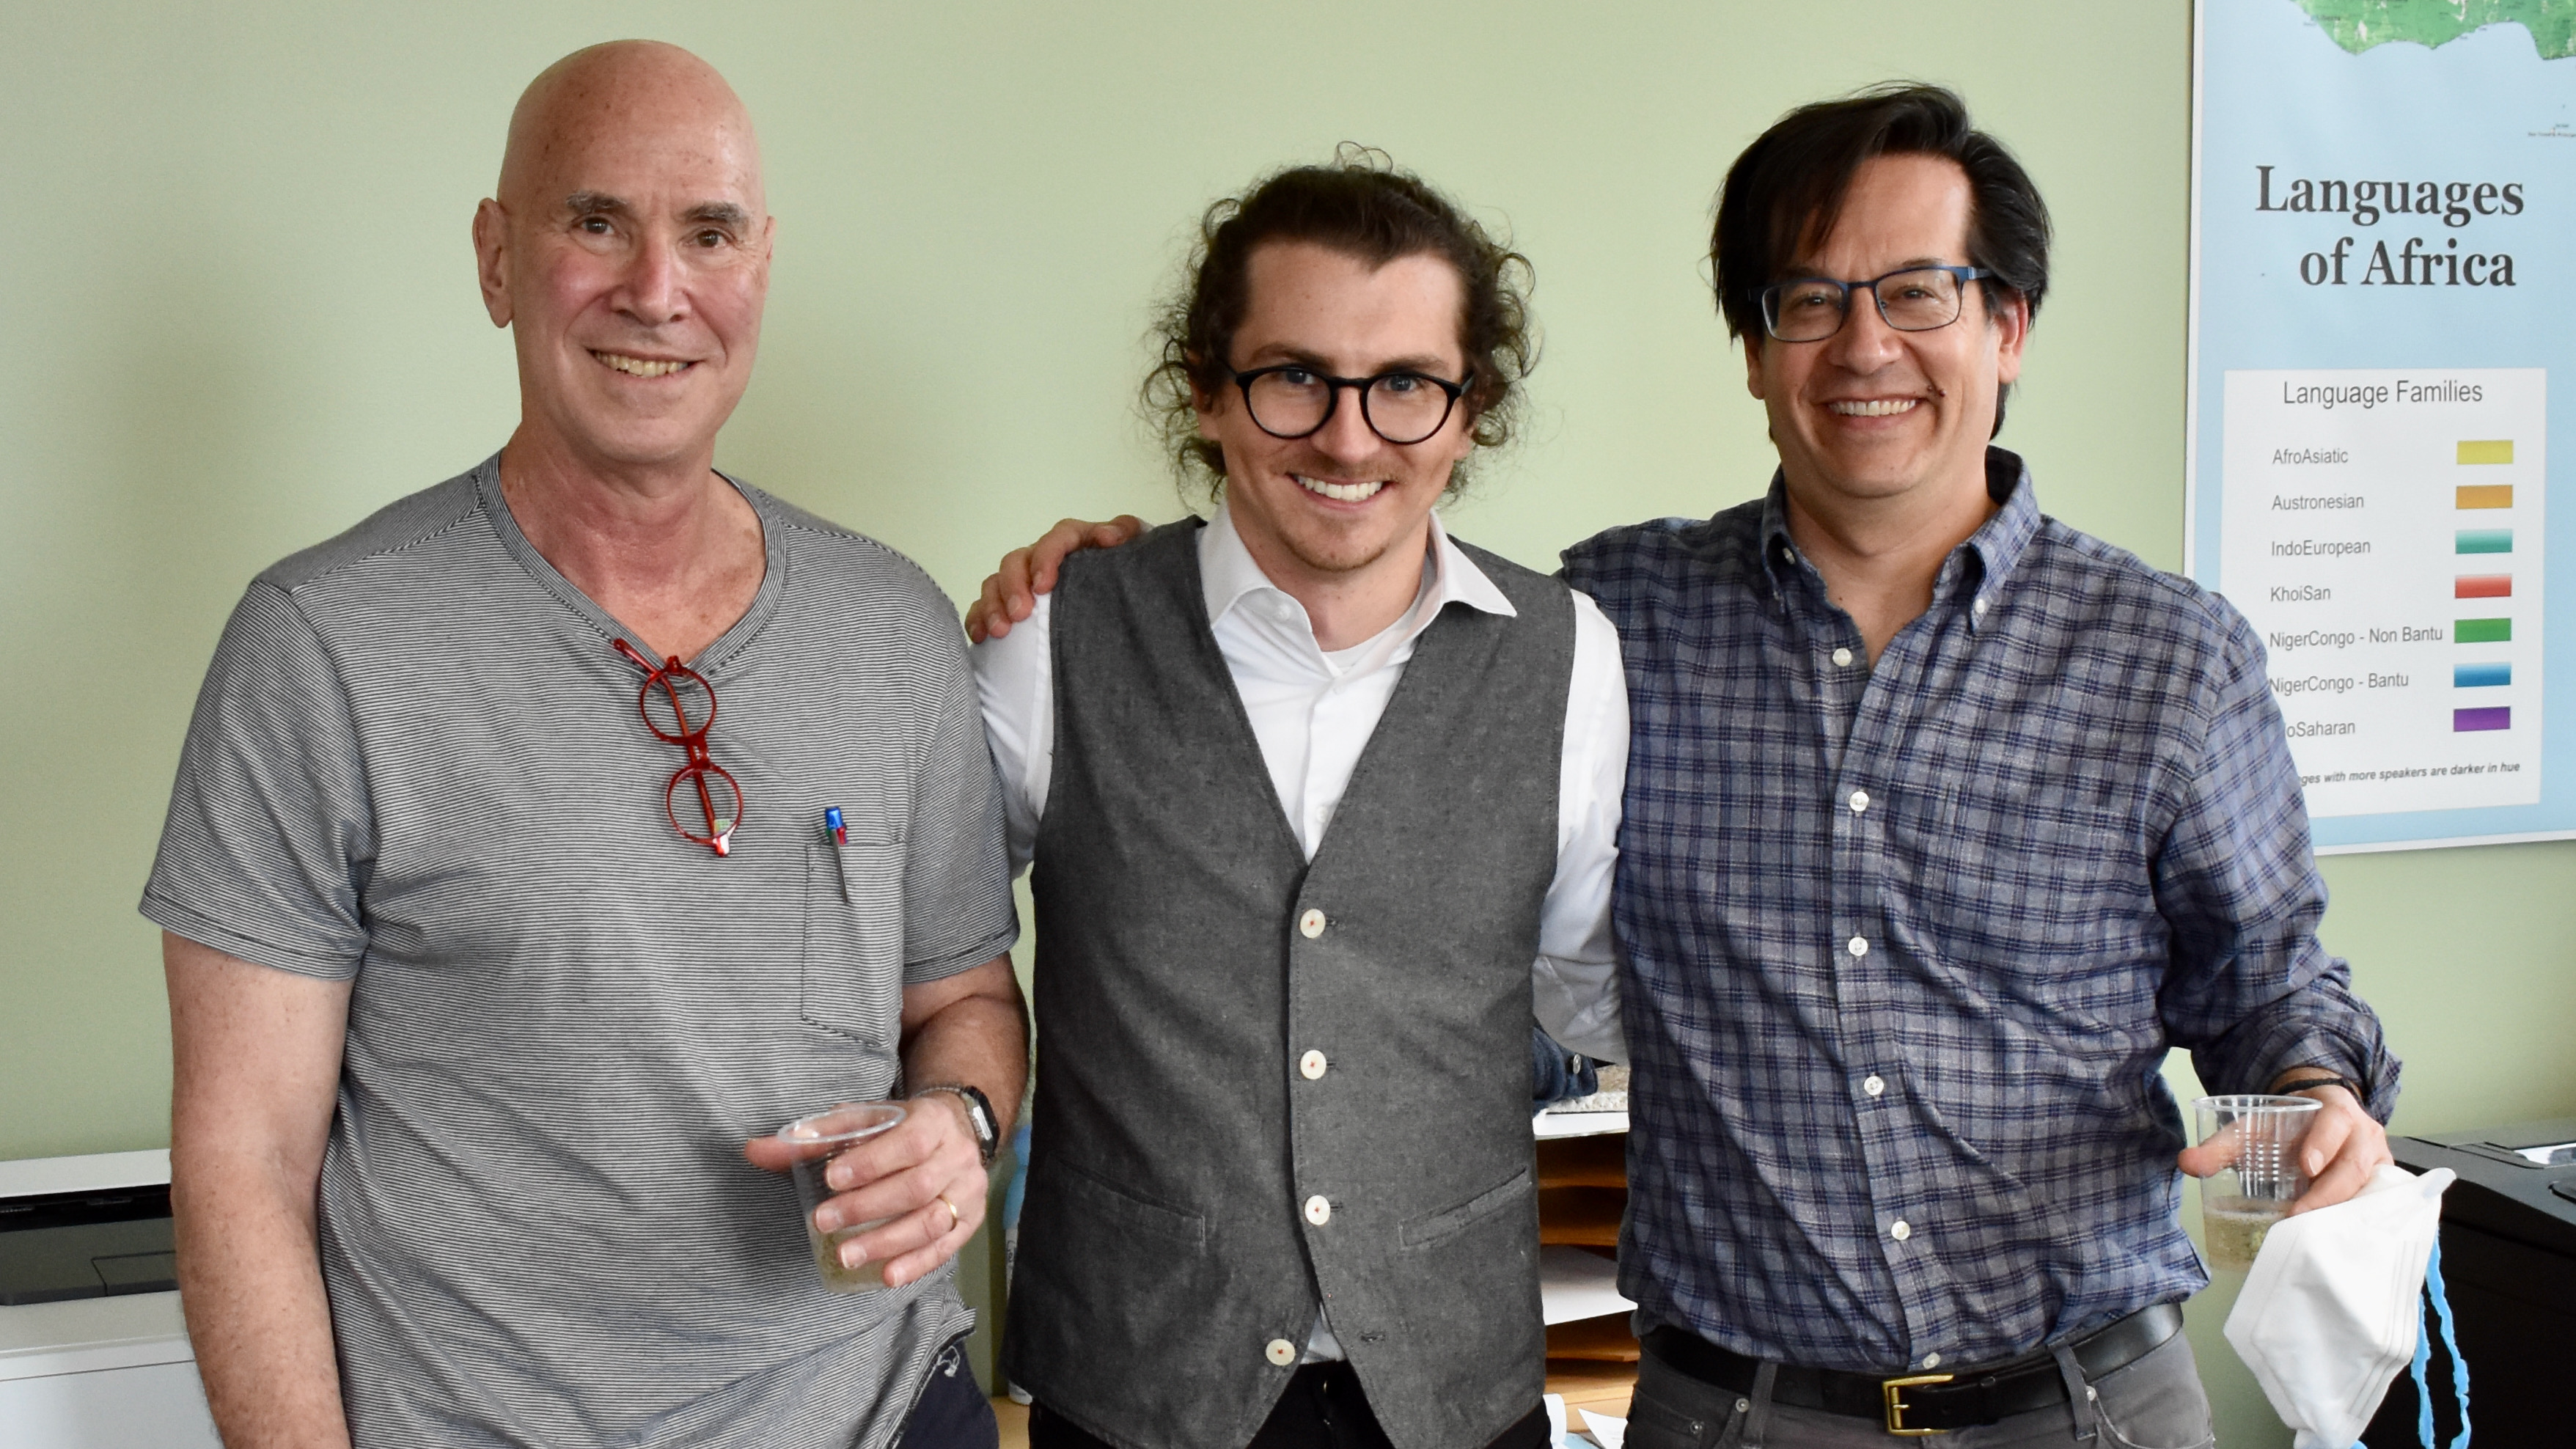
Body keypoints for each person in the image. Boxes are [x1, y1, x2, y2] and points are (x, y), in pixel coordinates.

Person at [968, 86, 2401, 1448]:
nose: (1861, 347)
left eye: (1915, 292)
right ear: (1751, 344)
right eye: (1806, 302)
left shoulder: (2164, 657)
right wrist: (1118, 584)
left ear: (2007, 325)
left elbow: (2266, 982)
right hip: (1734, 1410)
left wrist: (2314, 1091)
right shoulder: (1605, 625)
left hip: (2089, 1398)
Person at [143, 41, 1022, 1449]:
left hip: (883, 1413)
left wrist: (962, 1125)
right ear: (497, 260)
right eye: (595, 221)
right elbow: (243, 1166)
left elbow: (966, 1002)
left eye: (709, 233)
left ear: (759, 268)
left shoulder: (892, 625)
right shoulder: (321, 645)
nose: (656, 290)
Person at [976, 153, 1626, 1449]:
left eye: (1404, 386)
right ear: (1210, 391)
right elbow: (922, 963)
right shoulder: (1054, 638)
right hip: (1134, 1386)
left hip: (1454, 1394)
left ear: (1468, 408)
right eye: (1293, 379)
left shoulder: (1570, 655)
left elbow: (1592, 995)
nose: (1346, 436)